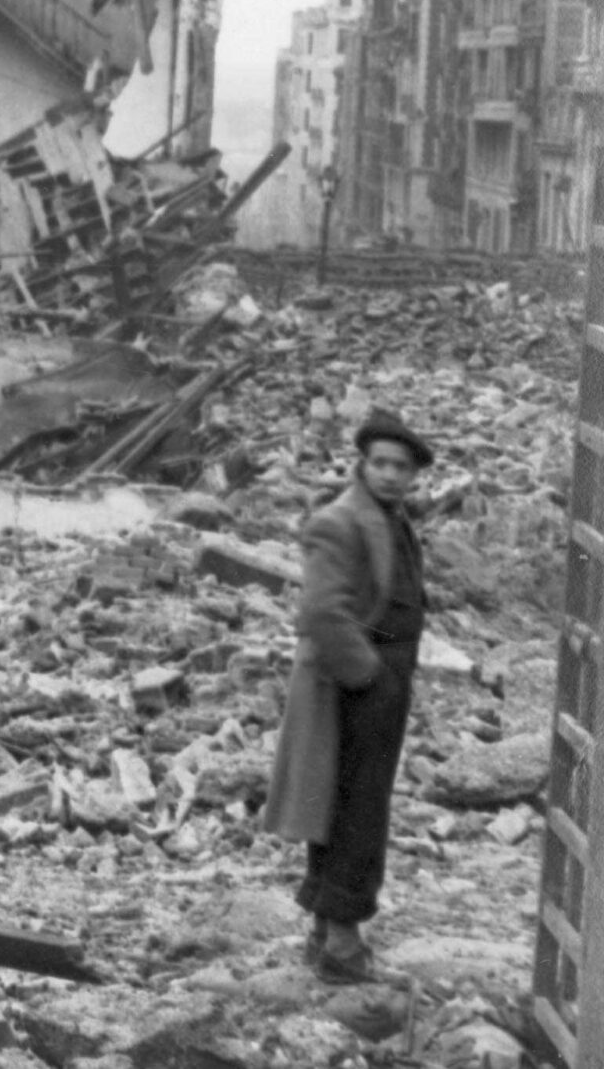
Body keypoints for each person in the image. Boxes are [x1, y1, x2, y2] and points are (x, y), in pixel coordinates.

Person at [262, 409, 433, 983]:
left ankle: (322, 929)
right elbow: (321, 612)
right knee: (356, 812)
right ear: (362, 463)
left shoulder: (388, 518)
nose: (388, 474)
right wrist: (370, 673)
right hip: (353, 689)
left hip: (378, 677)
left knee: (346, 807)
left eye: (400, 467)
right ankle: (342, 945)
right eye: (379, 463)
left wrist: (386, 649)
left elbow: (373, 614)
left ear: (413, 475)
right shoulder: (341, 521)